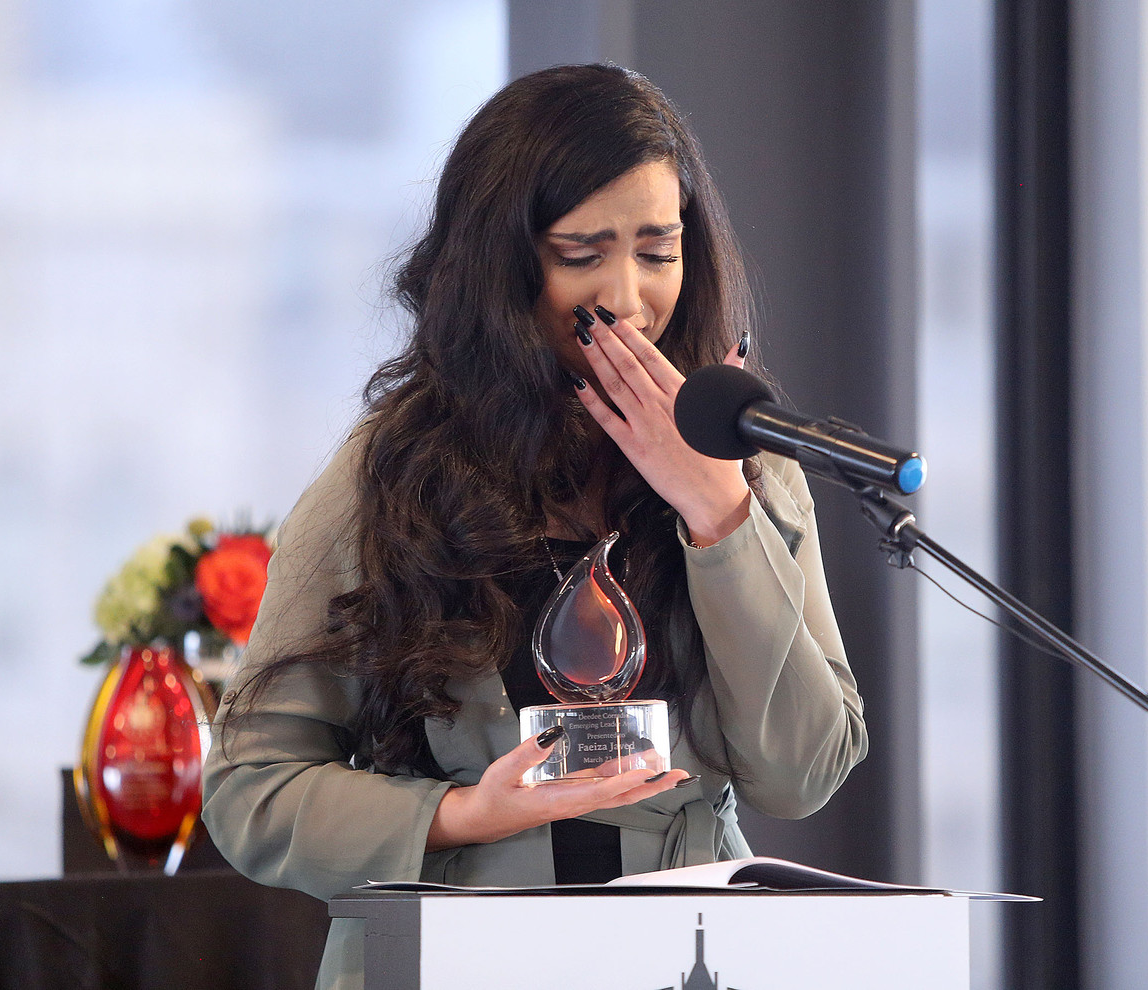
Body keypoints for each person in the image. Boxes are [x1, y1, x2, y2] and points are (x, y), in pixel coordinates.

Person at [202, 63, 867, 990]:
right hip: (452, 959)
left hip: (686, 962)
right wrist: (466, 812)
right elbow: (250, 793)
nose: (629, 296)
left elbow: (801, 773)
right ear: (504, 265)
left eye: (657, 249)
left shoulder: (745, 466)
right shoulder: (389, 475)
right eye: (583, 252)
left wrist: (719, 517)